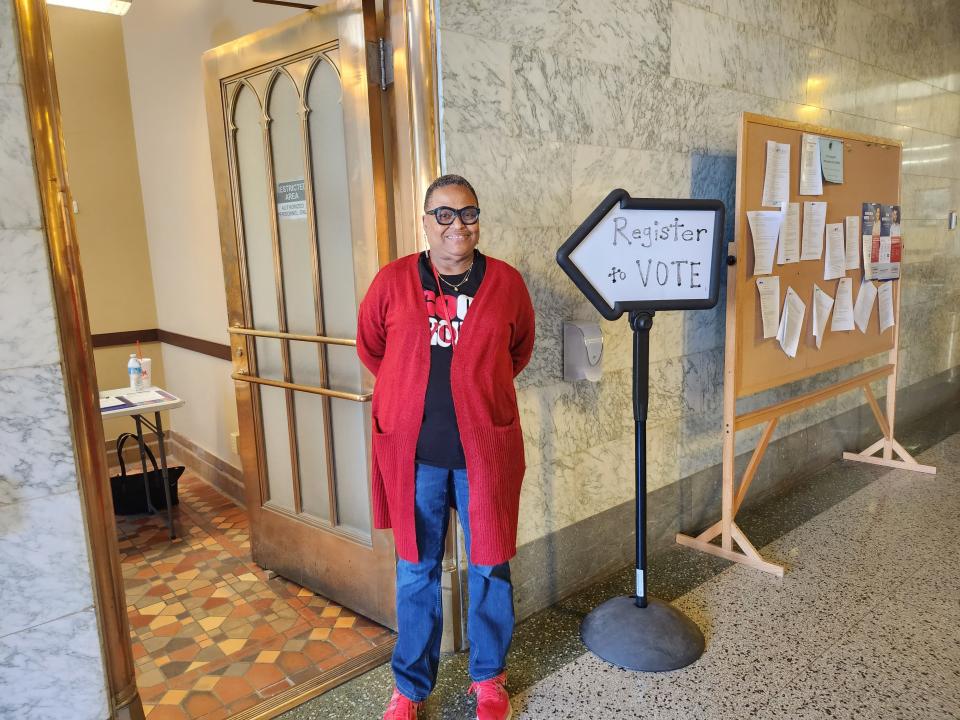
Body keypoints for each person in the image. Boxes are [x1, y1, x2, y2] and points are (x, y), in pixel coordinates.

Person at [356, 174, 535, 720]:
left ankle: (489, 679)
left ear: (479, 220)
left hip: (485, 452)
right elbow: (372, 347)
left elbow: (519, 349)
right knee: (415, 570)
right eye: (445, 214)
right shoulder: (392, 281)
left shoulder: (506, 284)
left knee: (489, 567)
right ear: (426, 221)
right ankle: (410, 688)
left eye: (468, 213)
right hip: (415, 457)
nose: (457, 225)